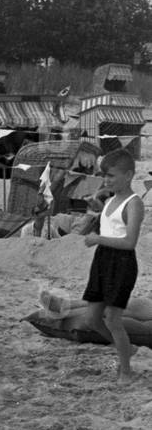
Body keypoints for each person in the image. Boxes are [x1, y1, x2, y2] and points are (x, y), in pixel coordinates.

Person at [78, 148, 144, 383]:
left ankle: (126, 371)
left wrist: (98, 239)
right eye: (104, 175)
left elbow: (129, 242)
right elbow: (110, 224)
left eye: (111, 176)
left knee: (113, 320)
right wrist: (97, 206)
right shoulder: (110, 200)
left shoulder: (134, 204)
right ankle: (126, 347)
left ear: (128, 175)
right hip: (102, 260)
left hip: (122, 263)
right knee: (91, 319)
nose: (106, 180)